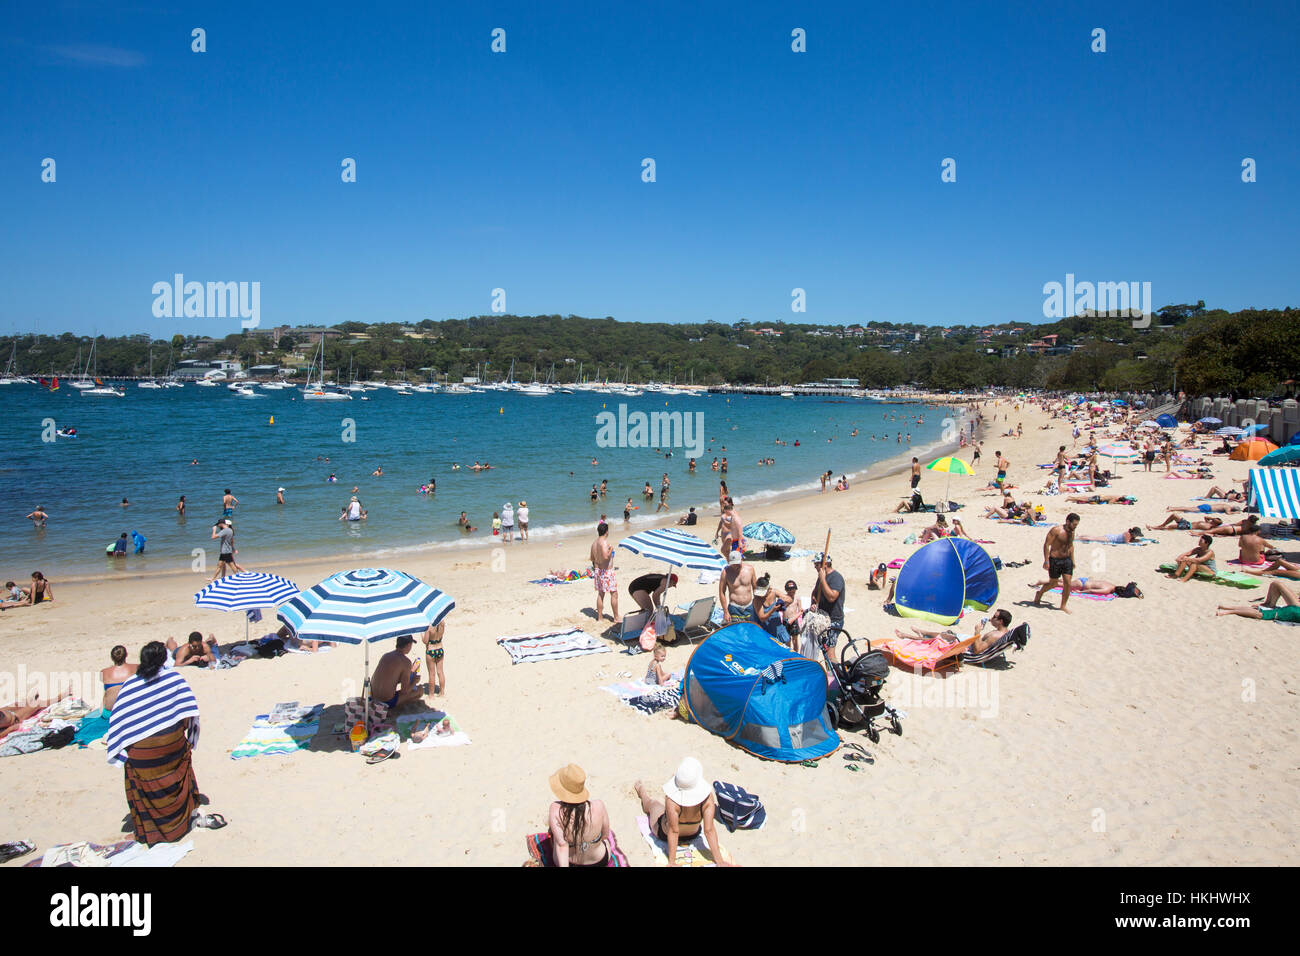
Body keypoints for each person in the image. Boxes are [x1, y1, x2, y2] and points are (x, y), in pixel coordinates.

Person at [105, 641, 205, 845]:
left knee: (132, 769)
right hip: (172, 748)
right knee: (184, 753)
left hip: (144, 756)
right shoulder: (174, 678)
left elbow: (118, 722)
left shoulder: (131, 684)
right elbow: (190, 713)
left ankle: (145, 832)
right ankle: (184, 817)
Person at [634, 758, 731, 867]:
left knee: (654, 805)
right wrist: (719, 861)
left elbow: (673, 831)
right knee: (660, 808)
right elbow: (709, 830)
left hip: (664, 834)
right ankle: (644, 794)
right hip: (694, 834)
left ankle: (643, 793)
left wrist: (672, 862)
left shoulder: (671, 801)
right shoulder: (708, 798)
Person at [547, 764, 612, 867]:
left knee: (556, 838)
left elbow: (562, 846)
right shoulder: (599, 805)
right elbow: (605, 834)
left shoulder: (556, 810)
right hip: (600, 861)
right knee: (605, 842)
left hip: (572, 863)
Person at [1032, 512, 1079, 612]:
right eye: (1074, 524)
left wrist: (1073, 560)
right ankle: (1040, 593)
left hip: (1067, 560)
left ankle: (1063, 606)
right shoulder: (1056, 530)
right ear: (1067, 521)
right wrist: (1046, 560)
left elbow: (1071, 546)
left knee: (1068, 583)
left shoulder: (1072, 532)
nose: (1075, 527)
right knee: (1053, 583)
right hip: (1055, 560)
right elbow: (1046, 545)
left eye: (1076, 525)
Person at [371, 636, 423, 711]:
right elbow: (404, 691)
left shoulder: (386, 655)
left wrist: (410, 672)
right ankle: (392, 710)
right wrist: (415, 680)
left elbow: (391, 677)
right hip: (386, 702)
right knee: (420, 690)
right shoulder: (406, 662)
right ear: (408, 645)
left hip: (373, 698)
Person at [1216, 580, 1300, 622]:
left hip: (1296, 610)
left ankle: (1229, 610)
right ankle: (1229, 609)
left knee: (1261, 613)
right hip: (1295, 610)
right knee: (1261, 613)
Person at [590, 522, 619, 623]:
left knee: (601, 594)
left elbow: (592, 558)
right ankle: (616, 617)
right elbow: (606, 556)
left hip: (598, 570)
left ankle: (600, 618)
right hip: (606, 571)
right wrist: (611, 549)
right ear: (607, 531)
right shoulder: (604, 542)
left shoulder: (594, 543)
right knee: (614, 594)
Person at [718, 551, 757, 623]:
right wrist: (726, 612)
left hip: (749, 606)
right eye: (733, 564)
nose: (736, 566)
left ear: (741, 559)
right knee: (736, 631)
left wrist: (757, 604)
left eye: (737, 564)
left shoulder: (750, 569)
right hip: (734, 607)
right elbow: (722, 592)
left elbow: (755, 588)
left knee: (751, 630)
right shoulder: (726, 572)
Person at [811, 553, 845, 627]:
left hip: (833, 620)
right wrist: (813, 602)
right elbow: (814, 592)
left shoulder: (836, 578)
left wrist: (823, 579)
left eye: (817, 564)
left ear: (825, 564)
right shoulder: (821, 576)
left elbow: (831, 597)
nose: (815, 567)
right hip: (821, 617)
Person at [101, 645, 138, 712]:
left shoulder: (103, 672)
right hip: (132, 708)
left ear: (111, 658)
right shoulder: (137, 668)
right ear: (126, 655)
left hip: (110, 712)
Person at [422, 621, 447, 698]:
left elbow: (425, 641)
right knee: (440, 672)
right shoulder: (442, 624)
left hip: (431, 649)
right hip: (439, 648)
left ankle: (431, 694)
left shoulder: (429, 627)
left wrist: (422, 635)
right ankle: (442, 692)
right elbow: (441, 635)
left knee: (431, 674)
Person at [1077, 527, 1144, 544]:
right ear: (1134, 533)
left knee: (1095, 537)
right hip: (1110, 539)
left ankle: (1080, 536)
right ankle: (1079, 538)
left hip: (1110, 536)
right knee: (1094, 538)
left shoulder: (1130, 535)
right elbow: (1127, 542)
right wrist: (1136, 542)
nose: (1136, 536)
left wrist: (1136, 540)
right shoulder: (1127, 534)